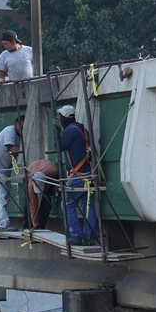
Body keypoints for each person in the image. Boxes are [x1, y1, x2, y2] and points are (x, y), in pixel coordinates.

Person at [57, 104, 97, 246]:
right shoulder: (83, 130)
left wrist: (57, 130)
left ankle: (76, 236)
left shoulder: (69, 131)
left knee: (68, 206)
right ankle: (89, 236)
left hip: (76, 177)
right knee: (89, 207)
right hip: (87, 175)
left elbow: (59, 147)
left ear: (65, 118)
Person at [0, 114, 24, 231]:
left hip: (4, 168)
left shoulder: (19, 135)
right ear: (16, 125)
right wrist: (26, 148)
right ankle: (2, 224)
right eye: (22, 126)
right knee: (2, 195)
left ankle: (2, 223)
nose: (23, 129)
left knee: (4, 196)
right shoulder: (10, 131)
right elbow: (12, 150)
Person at [24, 157, 59, 230]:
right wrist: (34, 224)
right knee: (30, 200)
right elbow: (33, 204)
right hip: (32, 173)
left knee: (47, 201)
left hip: (47, 174)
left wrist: (56, 191)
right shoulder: (30, 183)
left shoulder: (54, 171)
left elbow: (57, 182)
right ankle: (28, 225)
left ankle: (41, 226)